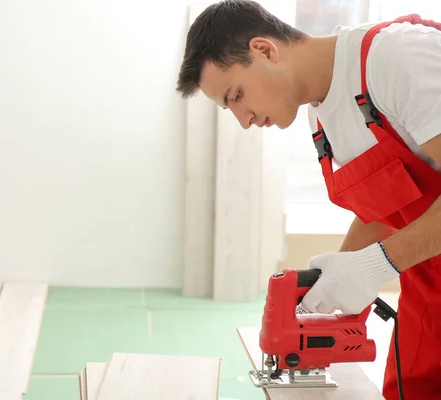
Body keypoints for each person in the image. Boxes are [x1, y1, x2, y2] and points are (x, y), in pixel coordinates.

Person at [175, 1, 441, 399]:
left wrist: (375, 265)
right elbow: (390, 205)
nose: (243, 120)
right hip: (428, 290)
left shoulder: (396, 60)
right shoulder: (319, 116)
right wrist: (322, 297)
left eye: (236, 96)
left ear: (265, 50)